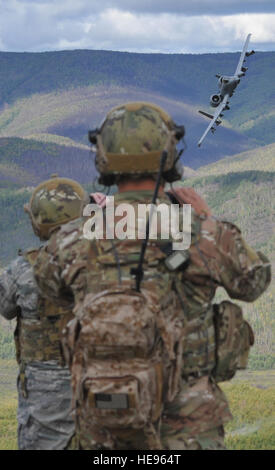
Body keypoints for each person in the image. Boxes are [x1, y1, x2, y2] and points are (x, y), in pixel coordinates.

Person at [33, 102, 271, 450]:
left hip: (102, 424)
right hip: (187, 426)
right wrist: (205, 218)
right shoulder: (202, 231)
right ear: (170, 153)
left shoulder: (71, 238)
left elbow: (51, 289)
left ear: (103, 158)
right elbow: (253, 282)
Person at [0, 176, 88, 450]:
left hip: (44, 388)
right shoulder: (107, 262)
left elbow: (5, 307)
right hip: (98, 377)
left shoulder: (23, 269)